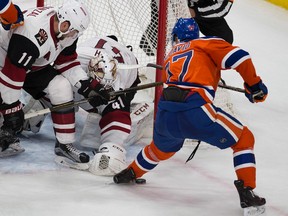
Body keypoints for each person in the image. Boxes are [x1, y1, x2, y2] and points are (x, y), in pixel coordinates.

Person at [113, 18, 267, 214]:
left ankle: (131, 172)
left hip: (166, 111)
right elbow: (240, 57)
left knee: (161, 149)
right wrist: (253, 86)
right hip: (195, 108)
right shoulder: (205, 43)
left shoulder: (170, 55)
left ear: (175, 38)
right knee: (244, 139)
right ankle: (247, 190)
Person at [23, 35, 154, 175]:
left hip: (120, 63)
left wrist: (111, 145)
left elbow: (117, 114)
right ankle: (37, 105)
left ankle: (112, 147)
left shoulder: (121, 79)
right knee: (60, 86)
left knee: (112, 111)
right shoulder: (78, 60)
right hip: (92, 53)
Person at [0, 1, 108, 166]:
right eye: (74, 32)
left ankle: (65, 145)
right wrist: (12, 108)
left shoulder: (64, 30)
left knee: (61, 87)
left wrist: (86, 86)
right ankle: (5, 132)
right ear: (65, 24)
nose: (74, 36)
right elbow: (11, 75)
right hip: (5, 62)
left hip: (30, 64)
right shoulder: (33, 32)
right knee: (10, 111)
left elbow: (67, 62)